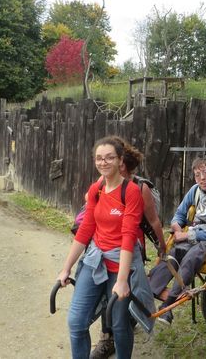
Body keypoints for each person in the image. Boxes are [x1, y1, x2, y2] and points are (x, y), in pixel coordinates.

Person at [57, 136, 144, 359]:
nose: (103, 163)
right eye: (99, 158)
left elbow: (128, 236)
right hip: (95, 260)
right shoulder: (96, 189)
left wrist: (123, 280)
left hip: (120, 264)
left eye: (109, 158)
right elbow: (86, 229)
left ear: (120, 160)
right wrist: (66, 268)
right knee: (76, 322)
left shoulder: (131, 191)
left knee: (119, 324)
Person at [90, 139, 167, 359]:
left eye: (119, 164)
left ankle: (122, 329)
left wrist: (161, 245)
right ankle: (107, 338)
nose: (113, 168)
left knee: (123, 296)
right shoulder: (103, 182)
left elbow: (153, 221)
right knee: (106, 293)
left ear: (125, 165)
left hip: (132, 246)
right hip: (105, 247)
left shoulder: (139, 188)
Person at [148, 157, 206, 325]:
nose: (202, 178)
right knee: (173, 254)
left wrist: (188, 235)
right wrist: (176, 226)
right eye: (197, 175)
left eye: (205, 173)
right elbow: (180, 213)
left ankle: (169, 305)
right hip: (193, 231)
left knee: (191, 257)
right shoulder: (195, 189)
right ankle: (151, 288)